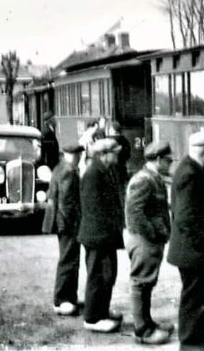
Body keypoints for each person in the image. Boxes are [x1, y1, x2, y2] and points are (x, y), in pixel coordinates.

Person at [167, 131, 204, 351]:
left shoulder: (191, 169)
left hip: (193, 251)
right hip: (192, 252)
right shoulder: (189, 174)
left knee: (203, 296)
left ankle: (202, 344)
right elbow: (185, 218)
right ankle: (193, 344)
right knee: (196, 299)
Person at [124, 141, 175, 345]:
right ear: (158, 159)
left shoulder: (152, 177)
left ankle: (147, 322)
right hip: (144, 240)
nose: (170, 164)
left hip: (149, 239)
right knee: (140, 283)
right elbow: (134, 211)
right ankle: (142, 330)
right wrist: (152, 233)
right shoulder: (144, 180)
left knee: (146, 283)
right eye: (168, 160)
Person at [77, 137, 126, 333]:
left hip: (106, 235)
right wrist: (107, 234)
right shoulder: (93, 174)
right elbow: (92, 210)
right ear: (105, 154)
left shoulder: (106, 170)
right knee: (97, 276)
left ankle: (102, 311)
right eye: (115, 152)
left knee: (108, 275)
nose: (117, 156)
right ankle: (92, 317)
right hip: (97, 236)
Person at [42, 138, 84, 317]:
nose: (80, 157)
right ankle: (61, 299)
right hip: (68, 224)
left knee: (68, 259)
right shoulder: (69, 172)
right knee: (69, 260)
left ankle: (69, 297)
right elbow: (66, 203)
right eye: (79, 154)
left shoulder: (60, 168)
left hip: (61, 222)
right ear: (74, 156)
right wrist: (73, 225)